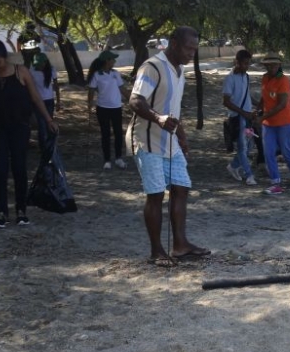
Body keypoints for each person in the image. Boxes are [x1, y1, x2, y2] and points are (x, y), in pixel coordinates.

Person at [128, 26, 209, 266]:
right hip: (147, 139)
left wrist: (182, 136)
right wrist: (158, 118)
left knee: (181, 188)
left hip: (170, 140)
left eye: (195, 49)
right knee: (155, 195)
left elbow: (174, 108)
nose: (191, 54)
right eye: (188, 48)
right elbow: (135, 100)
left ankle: (180, 245)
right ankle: (156, 251)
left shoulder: (179, 70)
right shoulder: (151, 67)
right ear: (173, 44)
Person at [0, 40, 58, 228]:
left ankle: (21, 210)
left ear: (5, 58)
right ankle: (1, 211)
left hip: (19, 127)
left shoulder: (21, 72)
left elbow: (35, 97)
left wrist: (48, 120)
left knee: (19, 168)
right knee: (0, 169)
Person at [256, 53, 290, 194]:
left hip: (284, 122)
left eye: (274, 64)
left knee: (286, 151)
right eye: (268, 65)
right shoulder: (265, 78)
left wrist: (263, 116)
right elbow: (264, 96)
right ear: (265, 66)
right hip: (269, 123)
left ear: (279, 65)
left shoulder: (283, 80)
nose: (271, 67)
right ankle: (275, 183)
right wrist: (258, 110)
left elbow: (282, 104)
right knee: (268, 152)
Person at [87, 50, 127, 169]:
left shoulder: (116, 73)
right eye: (112, 59)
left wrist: (132, 99)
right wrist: (90, 104)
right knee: (105, 134)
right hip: (103, 108)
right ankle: (107, 160)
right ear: (106, 61)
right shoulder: (96, 75)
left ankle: (119, 158)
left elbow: (122, 89)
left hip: (116, 108)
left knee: (118, 133)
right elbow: (91, 91)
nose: (114, 61)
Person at [222, 49, 257, 186]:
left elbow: (246, 96)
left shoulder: (246, 76)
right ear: (237, 62)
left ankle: (233, 166)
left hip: (247, 117)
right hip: (238, 117)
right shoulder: (230, 78)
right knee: (243, 148)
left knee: (249, 146)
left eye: (248, 64)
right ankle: (249, 175)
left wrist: (258, 103)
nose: (246, 66)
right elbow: (226, 101)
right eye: (244, 63)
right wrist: (244, 113)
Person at [29, 52, 60, 151]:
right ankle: (43, 148)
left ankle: (51, 146)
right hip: (37, 102)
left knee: (49, 124)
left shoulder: (51, 70)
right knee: (41, 125)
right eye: (37, 64)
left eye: (41, 64)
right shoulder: (31, 70)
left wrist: (58, 100)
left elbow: (56, 86)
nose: (39, 66)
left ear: (45, 62)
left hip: (49, 101)